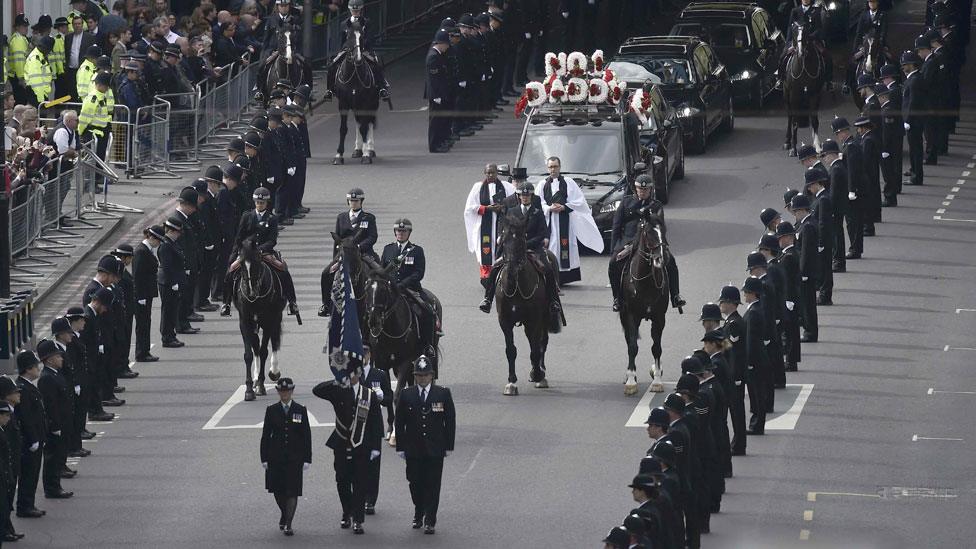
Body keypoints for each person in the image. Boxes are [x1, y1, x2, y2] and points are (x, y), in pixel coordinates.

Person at [313, 367, 384, 535]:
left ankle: (358, 520)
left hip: (361, 445)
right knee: (342, 480)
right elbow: (317, 390)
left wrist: (375, 446)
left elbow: (375, 422)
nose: (352, 376)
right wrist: (337, 380)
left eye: (354, 373)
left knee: (360, 483)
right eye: (349, 373)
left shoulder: (368, 394)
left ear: (359, 374)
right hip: (341, 443)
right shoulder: (338, 390)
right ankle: (347, 512)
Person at [479, 180, 563, 319]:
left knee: (548, 269)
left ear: (531, 197)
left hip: (533, 249)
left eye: (528, 196)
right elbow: (506, 230)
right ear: (519, 197)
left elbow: (542, 233)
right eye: (523, 196)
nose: (525, 198)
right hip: (514, 249)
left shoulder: (537, 212)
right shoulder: (511, 212)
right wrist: (507, 239)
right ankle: (488, 299)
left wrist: (526, 244)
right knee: (495, 268)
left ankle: (553, 301)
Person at [395, 356, 455, 534]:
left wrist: (449, 445)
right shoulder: (407, 394)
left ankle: (430, 519)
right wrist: (400, 446)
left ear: (432, 376)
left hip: (435, 448)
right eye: (419, 375)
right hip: (413, 448)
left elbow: (450, 421)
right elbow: (399, 422)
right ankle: (418, 510)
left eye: (425, 375)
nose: (422, 379)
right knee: (415, 483)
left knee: (433, 484)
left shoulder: (442, 393)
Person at [608, 175, 686, 312]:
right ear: (635, 189)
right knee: (613, 264)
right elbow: (616, 227)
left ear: (650, 190)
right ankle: (617, 298)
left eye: (646, 189)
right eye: (640, 189)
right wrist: (614, 249)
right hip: (628, 241)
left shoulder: (656, 205)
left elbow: (660, 226)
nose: (643, 191)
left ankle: (675, 296)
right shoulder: (626, 203)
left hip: (651, 242)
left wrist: (662, 244)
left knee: (671, 262)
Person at [221, 186, 300, 317]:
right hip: (246, 253)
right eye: (257, 202)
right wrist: (234, 254)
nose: (259, 205)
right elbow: (239, 237)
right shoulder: (246, 216)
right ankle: (226, 303)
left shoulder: (272, 218)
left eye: (262, 203)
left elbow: (272, 240)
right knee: (230, 272)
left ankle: (292, 302)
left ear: (267, 203)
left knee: (283, 270)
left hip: (264, 252)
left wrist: (260, 249)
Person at [536, 156, 604, 284]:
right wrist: (548, 208)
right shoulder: (542, 184)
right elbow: (538, 202)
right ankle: (552, 277)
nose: (553, 169)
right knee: (551, 247)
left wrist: (564, 207)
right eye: (550, 167)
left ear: (560, 167)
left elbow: (579, 201)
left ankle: (565, 277)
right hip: (549, 222)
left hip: (565, 221)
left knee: (565, 246)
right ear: (547, 168)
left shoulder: (568, 182)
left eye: (555, 166)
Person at [260, 378, 311, 537]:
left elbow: (306, 436)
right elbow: (266, 436)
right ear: (278, 392)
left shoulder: (300, 409)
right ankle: (284, 513)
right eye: (282, 391)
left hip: (294, 458)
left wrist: (307, 458)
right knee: (278, 490)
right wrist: (264, 458)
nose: (285, 394)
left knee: (293, 491)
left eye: (287, 391)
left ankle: (288, 523)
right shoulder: (272, 410)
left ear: (292, 391)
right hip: (276, 457)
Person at [380, 218, 439, 352]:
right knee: (374, 309)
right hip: (391, 290)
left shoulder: (417, 250)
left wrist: (403, 284)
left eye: (404, 231)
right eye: (398, 231)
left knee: (427, 311)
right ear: (395, 232)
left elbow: (419, 273)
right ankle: (370, 343)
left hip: (411, 290)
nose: (401, 233)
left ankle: (427, 345)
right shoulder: (388, 249)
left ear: (409, 233)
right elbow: (382, 270)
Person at [320, 188, 378, 316]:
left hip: (363, 253)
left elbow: (372, 237)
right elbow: (337, 240)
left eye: (356, 201)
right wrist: (335, 259)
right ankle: (326, 304)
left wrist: (358, 247)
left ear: (361, 201)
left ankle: (378, 303)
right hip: (344, 254)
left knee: (380, 272)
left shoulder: (368, 218)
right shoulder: (341, 217)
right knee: (325, 273)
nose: (354, 203)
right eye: (351, 201)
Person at [463, 164, 516, 283]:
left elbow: (514, 203)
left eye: (492, 173)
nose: (490, 175)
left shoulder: (506, 187)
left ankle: (501, 272)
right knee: (485, 250)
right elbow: (470, 208)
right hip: (484, 226)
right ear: (485, 173)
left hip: (501, 224)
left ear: (497, 173)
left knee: (500, 246)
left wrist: (502, 207)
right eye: (488, 173)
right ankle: (486, 276)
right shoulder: (478, 187)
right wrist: (487, 208)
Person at [36, 340, 74, 500]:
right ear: (49, 359)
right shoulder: (47, 378)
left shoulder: (55, 374)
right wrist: (54, 425)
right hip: (55, 424)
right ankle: (52, 488)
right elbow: (50, 405)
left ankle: (56, 485)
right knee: (53, 457)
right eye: (58, 356)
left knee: (58, 456)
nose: (61, 359)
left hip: (63, 421)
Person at [360, 346, 393, 514]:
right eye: (361, 353)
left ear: (370, 355)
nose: (363, 356)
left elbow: (389, 398)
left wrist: (382, 397)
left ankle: (370, 500)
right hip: (356, 425)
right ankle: (358, 498)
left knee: (373, 466)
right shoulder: (352, 375)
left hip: (373, 425)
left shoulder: (379, 375)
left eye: (365, 353)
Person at [14, 351, 46, 519]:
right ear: (28, 369)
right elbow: (26, 417)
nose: (38, 368)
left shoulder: (28, 387)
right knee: (28, 474)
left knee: (33, 473)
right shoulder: (23, 389)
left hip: (37, 437)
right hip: (29, 440)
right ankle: (25, 506)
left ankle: (29, 504)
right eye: (35, 366)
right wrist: (33, 439)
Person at [830, 117, 866, 259]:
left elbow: (852, 170)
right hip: (855, 188)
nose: (837, 137)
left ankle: (855, 249)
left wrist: (851, 190)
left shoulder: (850, 146)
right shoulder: (849, 145)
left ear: (843, 132)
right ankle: (855, 247)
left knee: (853, 221)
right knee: (852, 220)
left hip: (855, 190)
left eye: (837, 133)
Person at [774, 221, 802, 373]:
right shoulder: (788, 254)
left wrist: (788, 300)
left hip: (789, 299)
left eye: (780, 237)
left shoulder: (788, 257)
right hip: (790, 298)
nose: (779, 241)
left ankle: (791, 361)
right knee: (790, 330)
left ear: (788, 237)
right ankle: (791, 359)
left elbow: (788, 282)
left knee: (790, 331)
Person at [791, 194, 820, 342]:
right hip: (807, 271)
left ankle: (810, 332)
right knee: (806, 302)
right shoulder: (805, 224)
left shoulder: (807, 226)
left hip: (807, 272)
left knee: (808, 303)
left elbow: (806, 252)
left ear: (802, 210)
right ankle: (809, 329)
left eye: (795, 211)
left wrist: (803, 272)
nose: (794, 214)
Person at [133, 226, 162, 362]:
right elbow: (137, 276)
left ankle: (145, 351)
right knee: (143, 324)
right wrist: (140, 296)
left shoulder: (147, 250)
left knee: (146, 322)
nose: (159, 244)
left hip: (147, 293)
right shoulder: (141, 252)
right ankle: (141, 352)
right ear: (151, 237)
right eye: (158, 240)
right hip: (142, 295)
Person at [158, 217, 187, 348]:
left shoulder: (172, 243)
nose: (179, 235)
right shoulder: (165, 245)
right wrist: (173, 282)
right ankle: (167, 337)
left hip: (173, 282)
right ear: (171, 231)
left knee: (172, 309)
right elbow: (167, 267)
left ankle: (171, 334)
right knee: (168, 310)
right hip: (168, 283)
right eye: (178, 232)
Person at [819, 139, 849, 271]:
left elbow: (834, 193)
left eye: (824, 155)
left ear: (831, 154)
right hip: (839, 206)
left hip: (836, 208)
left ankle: (838, 261)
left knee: (836, 235)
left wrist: (829, 209)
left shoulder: (835, 169)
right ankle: (838, 259)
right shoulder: (837, 167)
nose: (824, 159)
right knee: (837, 233)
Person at [900, 52, 925, 187]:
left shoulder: (914, 80)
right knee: (913, 148)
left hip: (914, 122)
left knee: (915, 149)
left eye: (905, 65)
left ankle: (917, 176)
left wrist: (908, 120)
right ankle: (914, 170)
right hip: (913, 121)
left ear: (912, 65)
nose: (903, 68)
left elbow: (913, 102)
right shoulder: (912, 79)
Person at [425, 30, 453, 153]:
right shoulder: (433, 57)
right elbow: (433, 80)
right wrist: (437, 95)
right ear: (441, 43)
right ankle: (434, 145)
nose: (447, 47)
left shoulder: (438, 55)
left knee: (440, 119)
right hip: (436, 94)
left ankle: (440, 142)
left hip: (441, 93)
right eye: (446, 45)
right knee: (435, 121)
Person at [78, 72, 113, 164]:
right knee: (94, 160)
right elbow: (84, 118)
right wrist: (79, 132)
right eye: (106, 87)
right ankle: (95, 178)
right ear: (99, 85)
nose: (107, 89)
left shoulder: (101, 97)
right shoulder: (93, 99)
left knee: (100, 159)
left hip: (100, 133)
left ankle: (98, 177)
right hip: (94, 134)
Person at [853, 115, 880, 237]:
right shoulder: (869, 137)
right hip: (871, 173)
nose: (858, 131)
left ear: (863, 128)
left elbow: (865, 159)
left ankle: (868, 227)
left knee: (866, 202)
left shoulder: (867, 140)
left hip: (868, 174)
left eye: (859, 128)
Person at [877, 84, 902, 207]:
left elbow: (887, 131)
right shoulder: (889, 108)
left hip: (888, 148)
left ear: (882, 97)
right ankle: (890, 196)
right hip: (891, 146)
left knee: (888, 173)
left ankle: (890, 197)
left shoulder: (886, 111)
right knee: (889, 173)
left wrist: (885, 148)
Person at [24, 37, 55, 108]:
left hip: (39, 93)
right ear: (45, 48)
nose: (48, 53)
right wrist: (41, 100)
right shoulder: (35, 58)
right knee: (38, 117)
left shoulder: (40, 56)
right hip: (37, 95)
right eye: (49, 50)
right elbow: (36, 81)